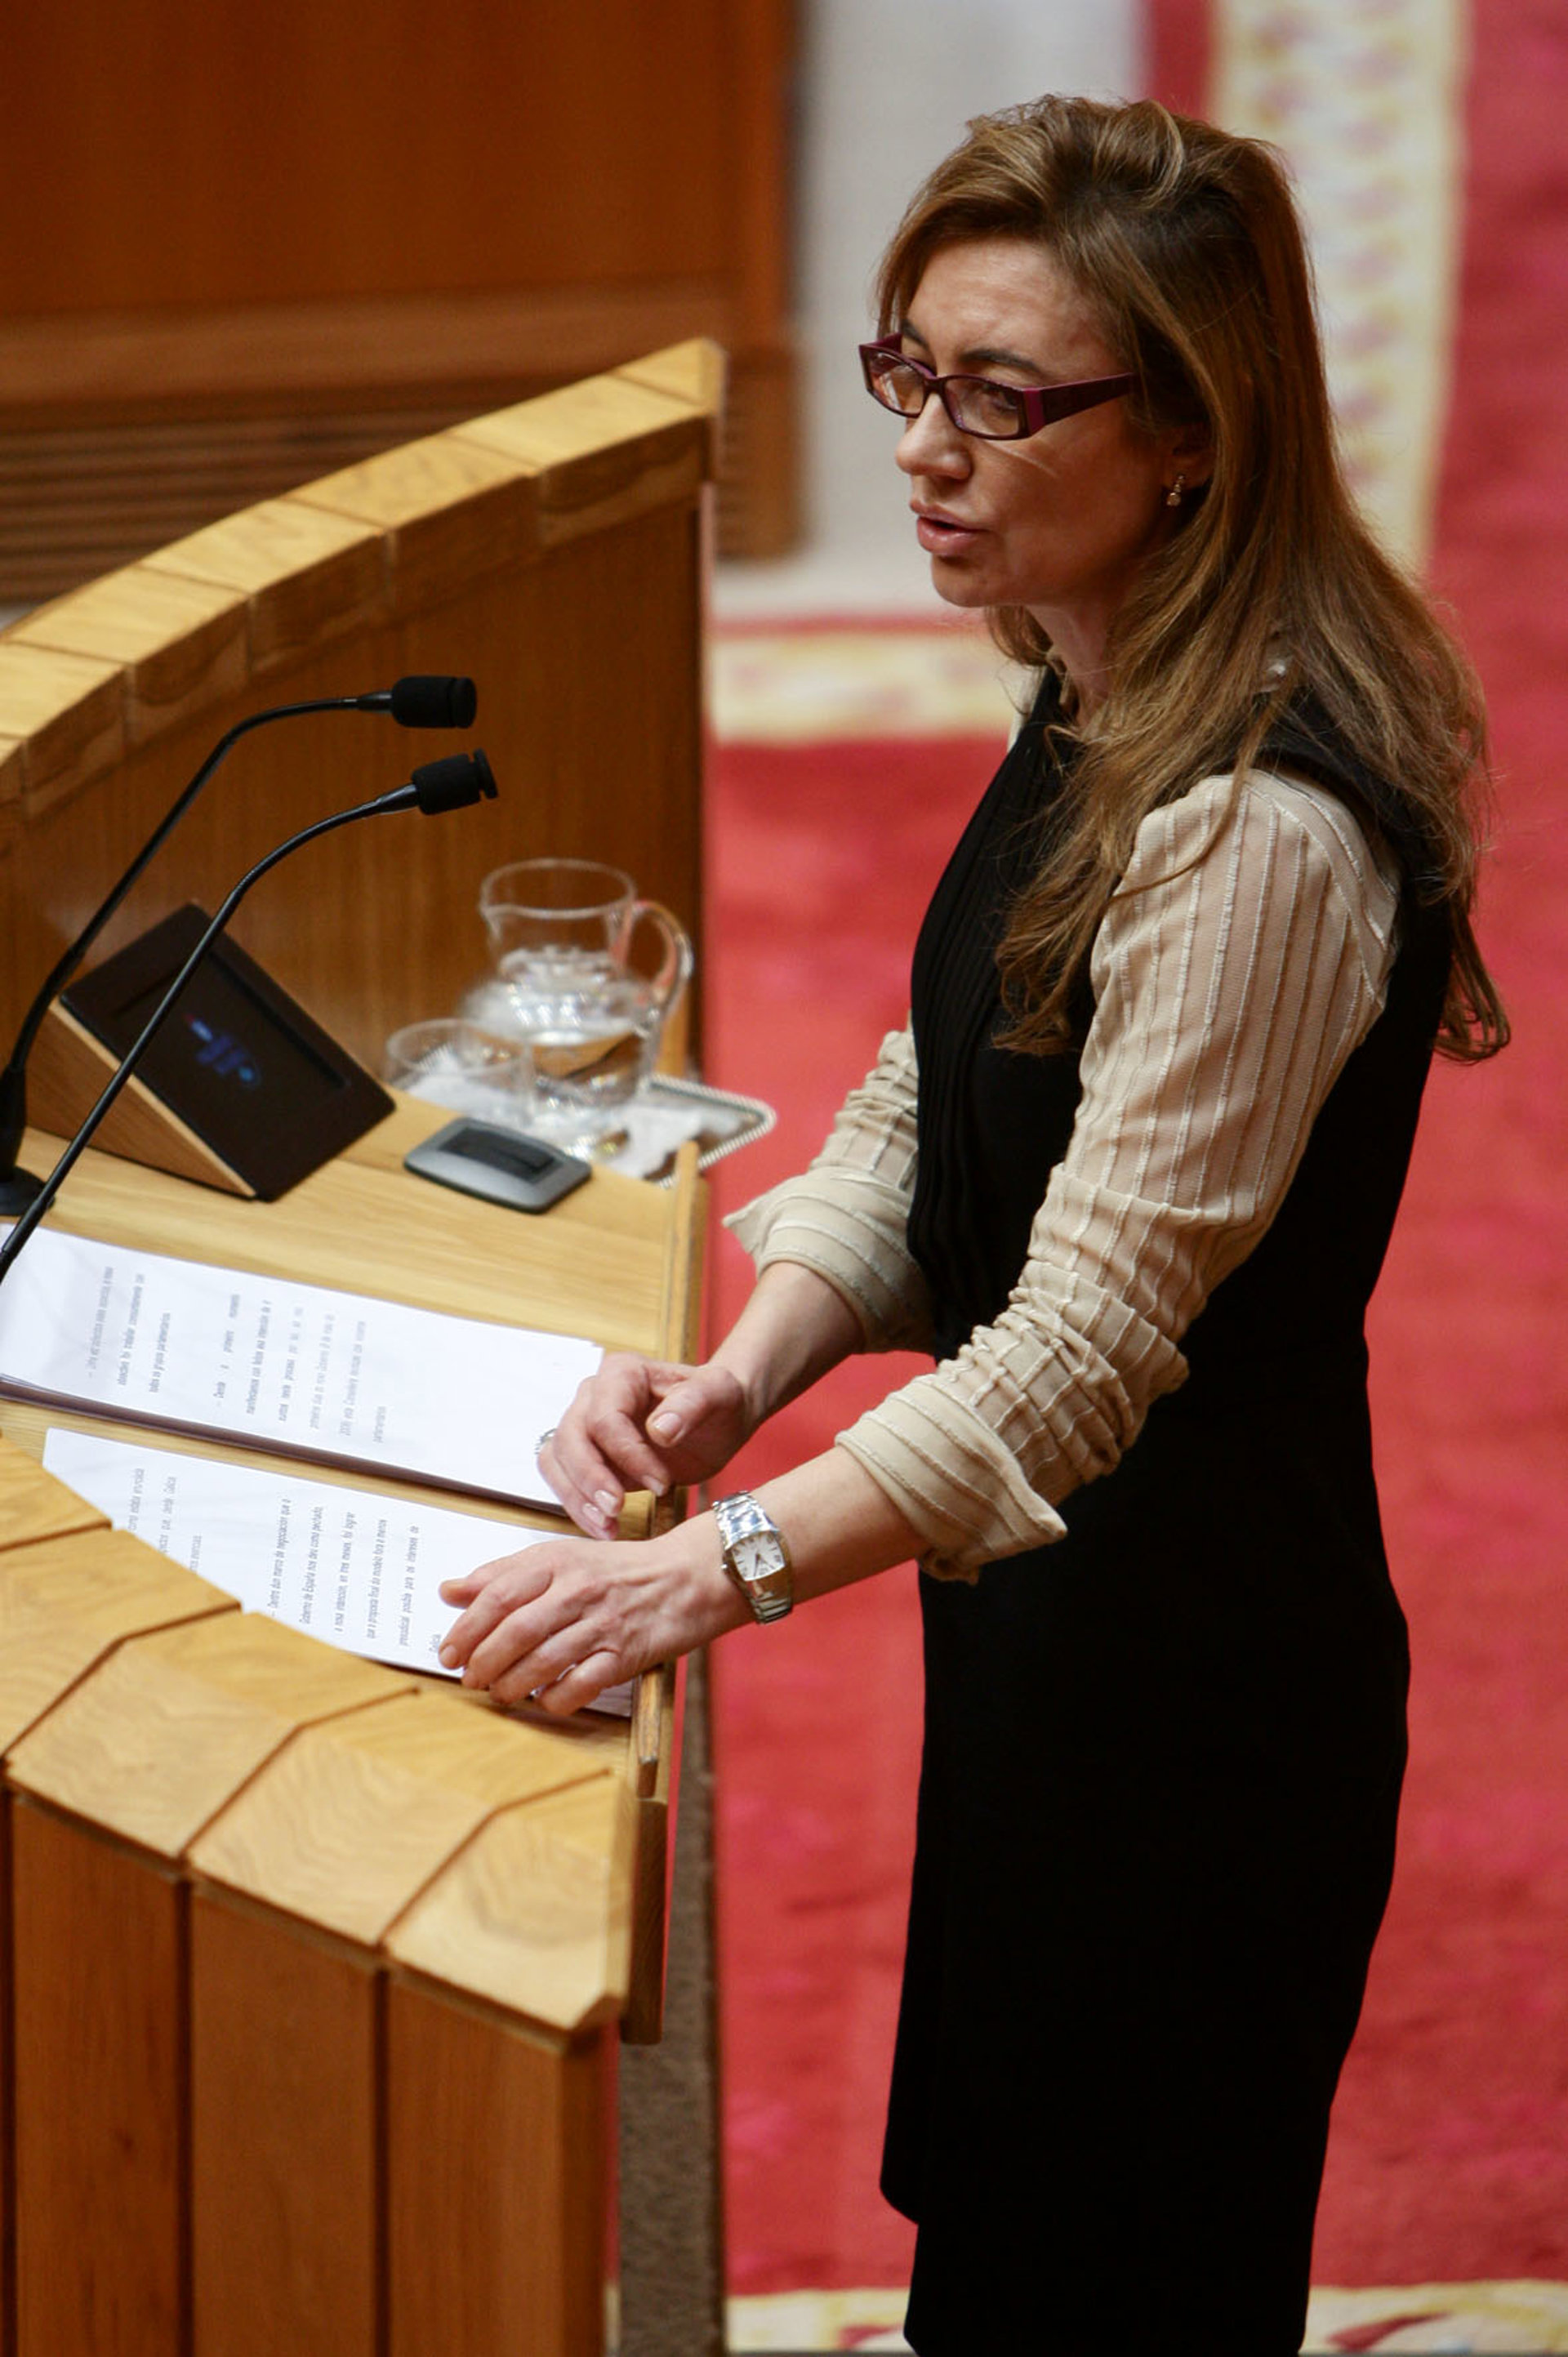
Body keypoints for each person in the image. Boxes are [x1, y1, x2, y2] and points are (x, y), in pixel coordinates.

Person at [439, 94, 1508, 2355]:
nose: (926, 451)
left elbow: (1083, 1342)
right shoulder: (1107, 666)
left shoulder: (1255, 831)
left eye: (1005, 398)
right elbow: (953, 1080)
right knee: (1014, 2267)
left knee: (1104, 2291)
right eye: (911, 372)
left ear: (1195, 432)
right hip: (1054, 1627)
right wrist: (744, 1375)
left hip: (1195, 1701)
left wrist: (699, 1576)